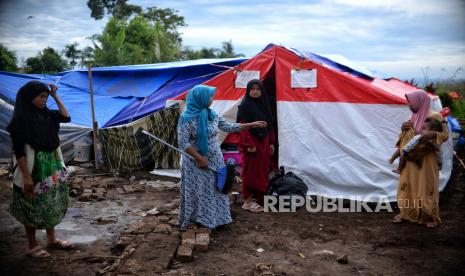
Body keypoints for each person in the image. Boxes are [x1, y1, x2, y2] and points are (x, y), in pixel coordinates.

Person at [177, 85, 267, 229]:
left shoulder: (212, 114)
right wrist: (200, 158)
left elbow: (229, 127)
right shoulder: (186, 119)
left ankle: (217, 218)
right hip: (196, 162)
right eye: (209, 97)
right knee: (200, 190)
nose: (212, 100)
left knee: (217, 188)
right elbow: (183, 143)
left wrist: (250, 125)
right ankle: (200, 220)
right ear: (199, 98)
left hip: (215, 159)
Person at [7, 81, 73, 258]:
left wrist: (55, 96)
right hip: (33, 167)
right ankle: (32, 245)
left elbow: (66, 117)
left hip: (51, 164)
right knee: (31, 204)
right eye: (41, 97)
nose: (44, 100)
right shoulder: (21, 120)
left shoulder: (47, 115)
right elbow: (19, 151)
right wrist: (27, 177)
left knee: (50, 201)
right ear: (29, 98)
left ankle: (52, 240)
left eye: (46, 96)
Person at [392, 90, 449, 228]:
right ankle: (406, 214)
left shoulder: (435, 116)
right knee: (408, 185)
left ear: (420, 102)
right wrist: (403, 128)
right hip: (411, 159)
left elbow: (445, 135)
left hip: (426, 159)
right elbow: (407, 137)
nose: (409, 105)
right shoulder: (413, 116)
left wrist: (431, 134)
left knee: (426, 187)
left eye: (410, 102)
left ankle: (429, 217)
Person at [236, 79, 275, 212]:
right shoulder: (244, 106)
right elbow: (242, 127)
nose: (255, 91)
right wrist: (249, 143)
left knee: (262, 170)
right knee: (250, 172)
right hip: (251, 143)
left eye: (258, 89)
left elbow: (269, 125)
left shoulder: (264, 105)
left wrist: (271, 142)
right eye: (252, 89)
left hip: (263, 142)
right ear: (248, 90)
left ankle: (258, 198)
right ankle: (247, 201)